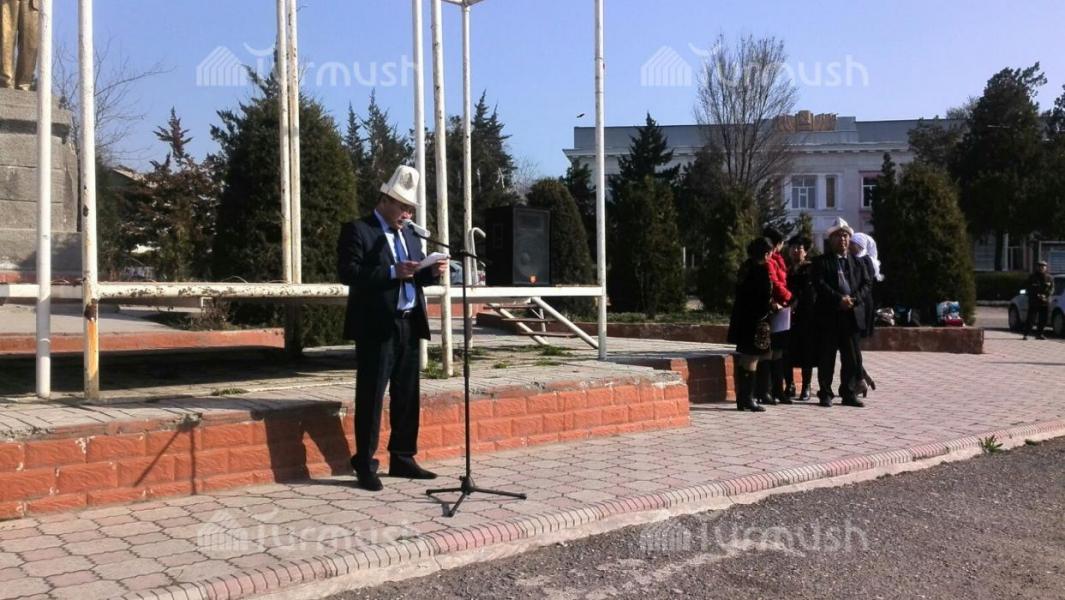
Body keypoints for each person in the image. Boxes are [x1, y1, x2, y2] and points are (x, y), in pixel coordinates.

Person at [337, 165, 449, 492]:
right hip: (377, 327)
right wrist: (390, 272)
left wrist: (431, 272)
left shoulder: (411, 234)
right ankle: (365, 462)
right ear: (385, 199)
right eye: (402, 206)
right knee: (372, 396)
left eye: (410, 208)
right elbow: (349, 273)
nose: (407, 214)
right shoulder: (359, 230)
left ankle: (402, 457)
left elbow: (415, 276)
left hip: (409, 323)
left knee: (407, 395)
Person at [811, 218, 871, 408]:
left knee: (851, 357)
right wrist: (839, 299)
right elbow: (819, 284)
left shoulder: (858, 262)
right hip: (830, 315)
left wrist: (853, 300)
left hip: (851, 316)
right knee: (827, 357)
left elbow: (866, 284)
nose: (842, 239)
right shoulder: (821, 262)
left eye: (845, 236)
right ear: (831, 240)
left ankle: (848, 392)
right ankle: (825, 393)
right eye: (838, 236)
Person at [727, 237, 775, 412]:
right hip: (756, 321)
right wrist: (772, 306)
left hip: (742, 318)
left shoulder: (745, 267)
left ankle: (743, 398)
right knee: (752, 358)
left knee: (745, 358)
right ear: (766, 254)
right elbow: (764, 297)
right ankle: (748, 398)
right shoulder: (761, 270)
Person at [757, 226, 793, 405]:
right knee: (768, 351)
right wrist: (789, 296)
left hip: (781, 309)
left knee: (778, 351)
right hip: (772, 309)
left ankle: (778, 389)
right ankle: (766, 390)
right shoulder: (769, 261)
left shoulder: (778, 259)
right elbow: (775, 283)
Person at [784, 235, 816, 401]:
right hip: (788, 316)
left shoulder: (810, 269)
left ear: (805, 251)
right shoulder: (787, 270)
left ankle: (806, 386)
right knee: (787, 351)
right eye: (793, 247)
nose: (796, 250)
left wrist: (797, 302)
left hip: (806, 316)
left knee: (806, 351)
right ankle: (789, 385)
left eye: (800, 248)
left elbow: (810, 292)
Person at [0, 0, 40, 90]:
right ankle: (5, 84)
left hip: (32, 3)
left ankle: (24, 86)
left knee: (31, 43)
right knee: (6, 39)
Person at [1023, 260, 1053, 341]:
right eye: (1040, 266)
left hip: (1045, 301)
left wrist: (1046, 295)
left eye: (1043, 266)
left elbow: (1052, 289)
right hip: (1034, 301)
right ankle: (1026, 334)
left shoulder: (1049, 278)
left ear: (1046, 268)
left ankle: (1039, 334)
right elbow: (1028, 288)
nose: (1042, 268)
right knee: (1031, 319)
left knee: (1043, 319)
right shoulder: (1032, 277)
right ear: (1037, 267)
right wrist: (1037, 295)